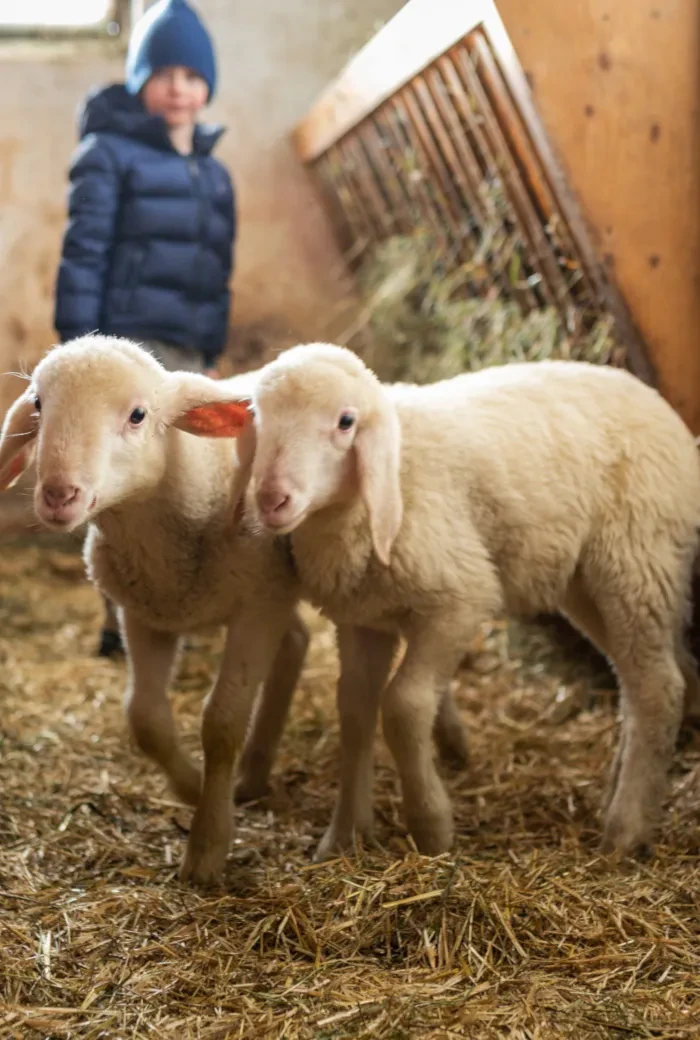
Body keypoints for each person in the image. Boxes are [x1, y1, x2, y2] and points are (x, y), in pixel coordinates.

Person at [54, 0, 236, 657]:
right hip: (120, 349)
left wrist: (210, 353)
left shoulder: (214, 175)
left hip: (183, 353)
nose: (180, 87)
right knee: (113, 485)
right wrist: (79, 346)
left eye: (193, 75)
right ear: (139, 81)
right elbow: (84, 253)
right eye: (165, 73)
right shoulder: (107, 155)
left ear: (207, 86)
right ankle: (117, 616)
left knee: (179, 485)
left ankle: (175, 608)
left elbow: (218, 272)